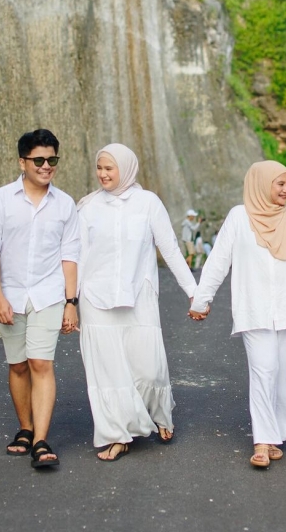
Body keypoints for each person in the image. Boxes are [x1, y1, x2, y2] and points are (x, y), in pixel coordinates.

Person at [189, 161, 286, 468]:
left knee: (280, 373)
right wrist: (201, 300)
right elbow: (218, 259)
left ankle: (278, 434)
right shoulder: (239, 217)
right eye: (280, 184)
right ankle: (263, 440)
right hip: (254, 308)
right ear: (262, 184)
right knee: (264, 369)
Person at [77, 144, 197, 461]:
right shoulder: (88, 208)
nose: (103, 174)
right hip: (95, 298)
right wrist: (70, 301)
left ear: (126, 169)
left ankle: (159, 413)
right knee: (108, 372)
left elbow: (170, 249)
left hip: (138, 296)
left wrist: (195, 292)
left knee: (148, 368)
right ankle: (119, 433)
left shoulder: (147, 203)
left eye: (109, 168)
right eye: (99, 167)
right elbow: (78, 257)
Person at [0, 129, 80, 469]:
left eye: (52, 160)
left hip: (49, 294)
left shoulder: (65, 204)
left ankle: (41, 440)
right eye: (39, 160)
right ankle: (25, 427)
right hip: (10, 293)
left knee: (41, 363)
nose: (46, 166)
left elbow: (70, 256)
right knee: (18, 364)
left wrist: (71, 302)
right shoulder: (0, 200)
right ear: (23, 162)